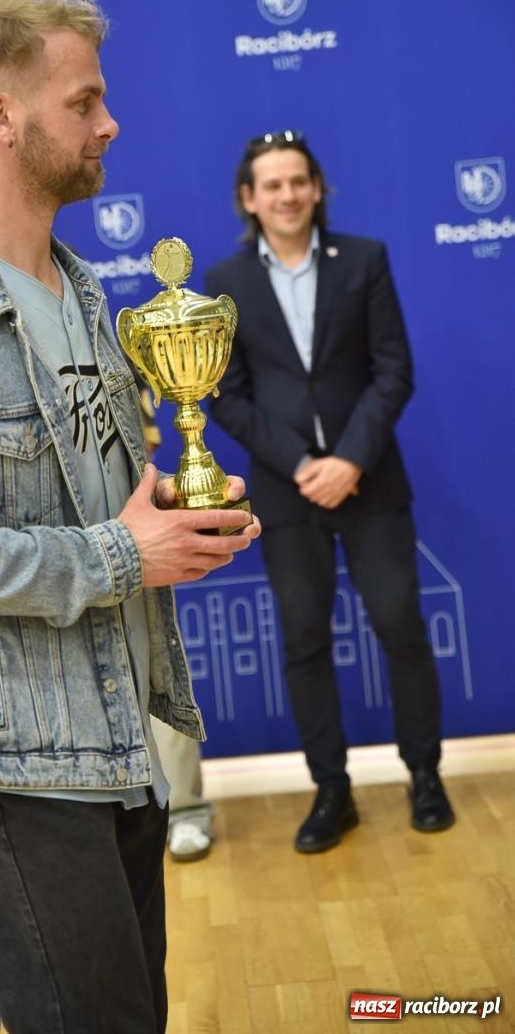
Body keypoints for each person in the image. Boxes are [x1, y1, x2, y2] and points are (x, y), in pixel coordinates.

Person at [0, 0, 261, 1034]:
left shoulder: (84, 297)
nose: (109, 121)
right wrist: (125, 556)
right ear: (0, 116)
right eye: (83, 102)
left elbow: (96, 504)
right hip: (10, 766)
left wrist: (179, 509)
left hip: (116, 741)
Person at [204, 129, 454, 854]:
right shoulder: (224, 283)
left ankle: (425, 775)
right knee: (305, 640)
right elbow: (227, 397)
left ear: (315, 189)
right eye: (270, 185)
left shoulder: (365, 261)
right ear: (248, 199)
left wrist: (347, 460)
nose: (286, 195)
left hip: (370, 484)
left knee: (401, 628)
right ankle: (331, 792)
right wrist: (302, 465)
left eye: (297, 182)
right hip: (287, 496)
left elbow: (391, 371)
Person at [132, 367, 215, 862]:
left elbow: (143, 440)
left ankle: (185, 809)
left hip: (127, 516)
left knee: (155, 662)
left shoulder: (95, 331)